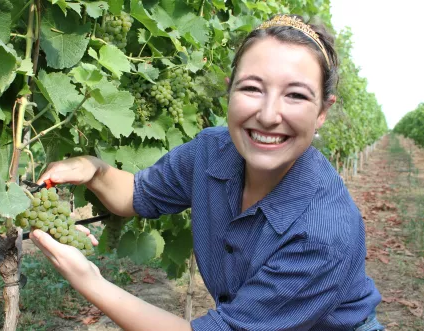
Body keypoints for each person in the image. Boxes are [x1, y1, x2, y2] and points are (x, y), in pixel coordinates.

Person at [30, 14, 385, 331]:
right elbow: (138, 193)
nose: (268, 114)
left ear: (323, 110)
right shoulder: (212, 151)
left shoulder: (324, 233)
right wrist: (94, 170)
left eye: (296, 96)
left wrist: (90, 281)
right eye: (251, 88)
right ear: (229, 89)